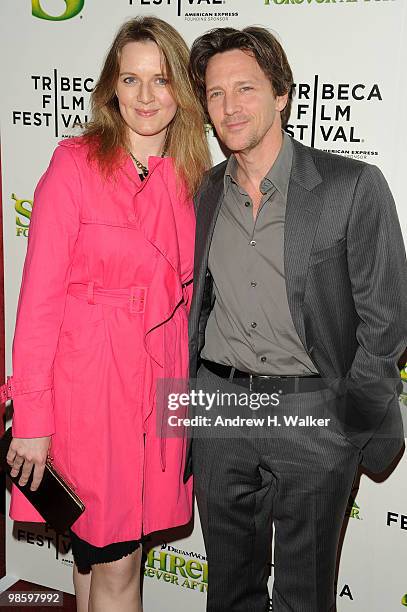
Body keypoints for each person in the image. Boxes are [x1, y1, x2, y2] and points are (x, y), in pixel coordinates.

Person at [185, 26, 407, 611]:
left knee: (304, 597)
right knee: (227, 592)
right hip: (218, 408)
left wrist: (346, 428)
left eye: (246, 88)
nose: (230, 107)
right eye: (215, 94)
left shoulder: (351, 185)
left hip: (313, 413)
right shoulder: (205, 191)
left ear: (281, 93)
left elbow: (386, 322)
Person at [5, 16, 210, 612]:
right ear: (110, 89)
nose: (146, 96)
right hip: (93, 387)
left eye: (162, 80)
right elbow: (38, 302)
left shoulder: (195, 176)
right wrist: (33, 420)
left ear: (182, 92)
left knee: (98, 562)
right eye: (131, 79)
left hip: (165, 380)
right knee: (118, 564)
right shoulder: (74, 165)